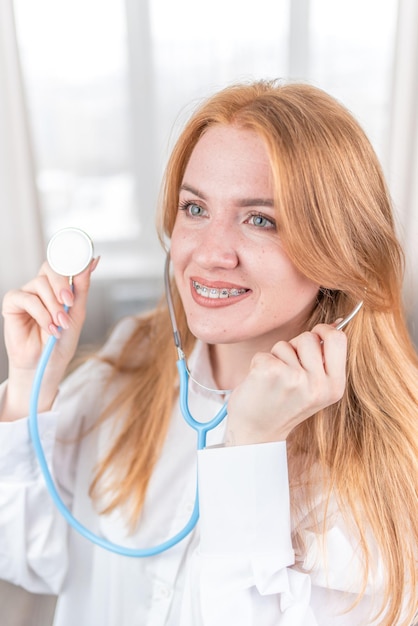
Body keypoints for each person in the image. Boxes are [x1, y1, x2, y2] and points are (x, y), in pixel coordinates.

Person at [0, 80, 417, 626]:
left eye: (260, 219)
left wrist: (250, 453)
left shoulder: (389, 473)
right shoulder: (130, 364)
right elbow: (28, 558)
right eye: (195, 208)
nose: (208, 253)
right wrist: (34, 381)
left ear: (339, 251)